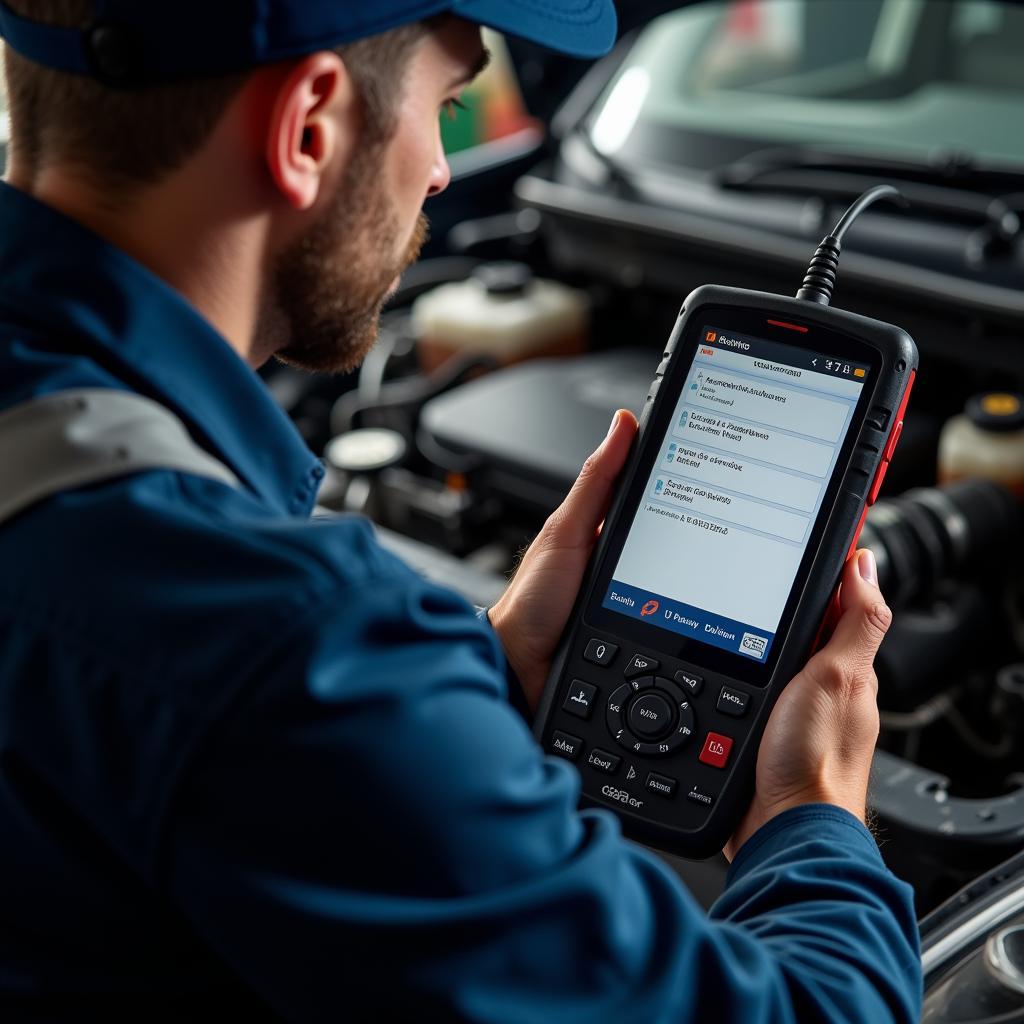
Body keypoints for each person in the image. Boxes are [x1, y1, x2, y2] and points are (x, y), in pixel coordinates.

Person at [0, 1, 921, 1020]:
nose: (443, 169)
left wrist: (484, 671)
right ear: (309, 125)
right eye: (447, 102)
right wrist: (810, 810)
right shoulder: (286, 646)